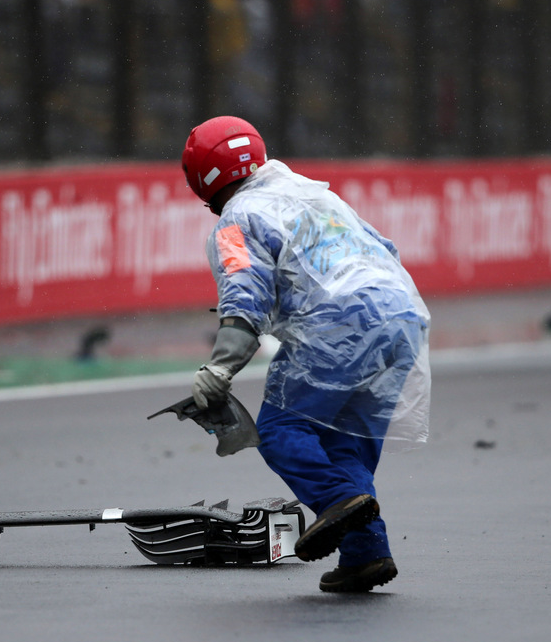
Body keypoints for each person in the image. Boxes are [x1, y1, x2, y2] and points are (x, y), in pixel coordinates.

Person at [181, 115, 431, 593]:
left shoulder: (238, 219)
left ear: (200, 180)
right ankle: (365, 554)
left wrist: (220, 366)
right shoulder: (313, 193)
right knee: (344, 443)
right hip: (401, 316)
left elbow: (243, 290)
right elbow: (384, 248)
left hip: (339, 322)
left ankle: (336, 500)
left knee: (280, 429)